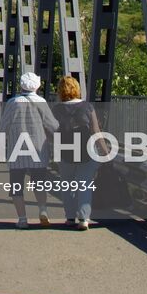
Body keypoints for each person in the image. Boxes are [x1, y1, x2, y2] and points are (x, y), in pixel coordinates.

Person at [0, 72, 58, 229]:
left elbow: (3, 126)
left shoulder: (13, 102)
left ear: (21, 86)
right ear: (37, 86)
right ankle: (43, 210)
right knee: (39, 183)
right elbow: (53, 126)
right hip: (38, 149)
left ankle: (22, 219)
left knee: (16, 186)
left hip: (16, 149)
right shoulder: (41, 102)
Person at [51, 75, 100, 230]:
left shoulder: (57, 109)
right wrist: (105, 150)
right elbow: (95, 130)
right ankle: (84, 218)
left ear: (60, 91)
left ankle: (70, 217)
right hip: (86, 151)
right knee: (84, 185)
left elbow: (52, 131)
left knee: (67, 185)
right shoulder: (87, 107)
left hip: (65, 151)